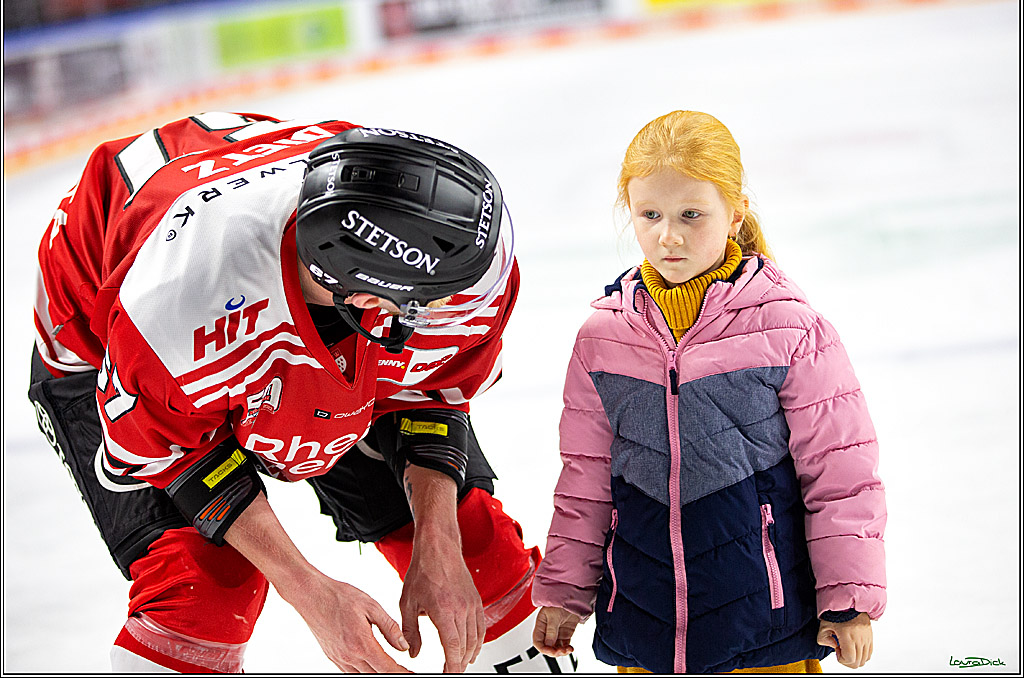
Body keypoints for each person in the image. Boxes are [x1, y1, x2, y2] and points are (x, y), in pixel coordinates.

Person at [29, 112, 576, 674]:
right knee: (204, 591)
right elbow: (169, 448)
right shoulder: (173, 307)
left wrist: (439, 543)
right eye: (435, 306)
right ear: (369, 302)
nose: (465, 313)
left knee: (475, 546)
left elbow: (432, 390)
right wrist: (309, 592)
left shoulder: (441, 244)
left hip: (271, 289)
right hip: (116, 336)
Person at [529, 110, 887, 673]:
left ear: (736, 211)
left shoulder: (787, 327)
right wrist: (567, 589)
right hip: (645, 631)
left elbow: (839, 472)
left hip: (766, 632)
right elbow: (585, 481)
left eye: (690, 214)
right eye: (650, 214)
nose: (667, 235)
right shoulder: (602, 338)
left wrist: (848, 600)